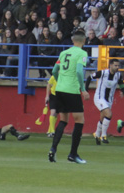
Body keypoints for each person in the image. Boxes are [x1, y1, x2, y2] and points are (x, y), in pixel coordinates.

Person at [48, 30, 91, 164]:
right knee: (79, 121)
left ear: (73, 41)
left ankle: (53, 149)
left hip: (60, 89)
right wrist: (83, 89)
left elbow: (55, 70)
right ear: (84, 41)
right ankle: (73, 154)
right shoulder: (82, 53)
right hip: (72, 90)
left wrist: (59, 80)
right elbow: (79, 71)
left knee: (63, 120)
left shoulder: (63, 52)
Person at [91, 58, 124, 145]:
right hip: (99, 97)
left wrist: (123, 91)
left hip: (109, 100)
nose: (117, 67)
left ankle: (97, 134)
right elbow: (89, 77)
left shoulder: (118, 75)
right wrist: (85, 90)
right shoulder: (103, 73)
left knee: (103, 117)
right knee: (109, 114)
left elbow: (121, 84)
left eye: (118, 65)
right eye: (115, 65)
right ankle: (103, 135)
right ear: (110, 65)